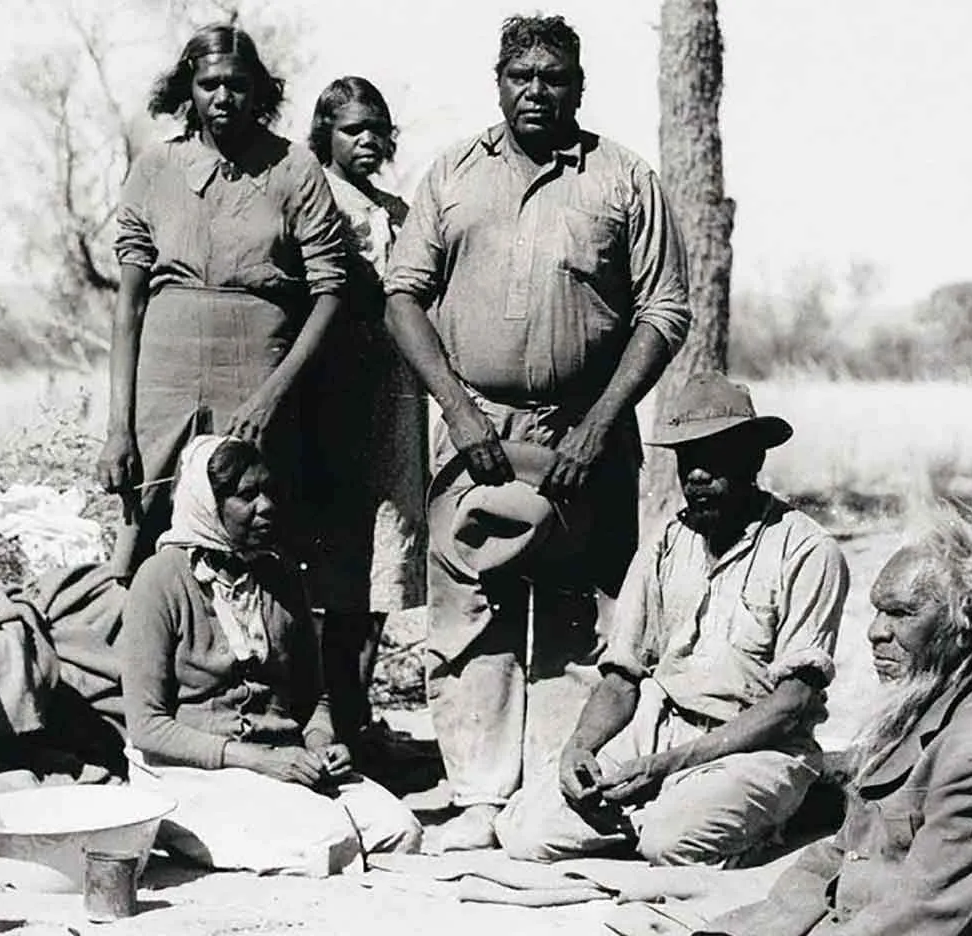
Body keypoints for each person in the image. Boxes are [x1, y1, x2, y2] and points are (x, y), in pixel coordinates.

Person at [384, 13, 691, 851]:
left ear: (580, 87)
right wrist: (455, 407)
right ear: (498, 82)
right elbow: (402, 295)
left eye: (555, 77)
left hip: (582, 430)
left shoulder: (624, 178)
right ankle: (480, 794)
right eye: (522, 75)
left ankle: (561, 786)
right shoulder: (451, 172)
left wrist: (600, 423)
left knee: (582, 609)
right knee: (470, 607)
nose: (537, 91)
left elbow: (665, 310)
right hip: (475, 427)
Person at [495, 372, 850, 867]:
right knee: (526, 832)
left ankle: (797, 805)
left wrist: (668, 768)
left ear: (754, 459)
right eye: (687, 461)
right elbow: (622, 678)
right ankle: (665, 816)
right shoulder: (665, 542)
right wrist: (581, 746)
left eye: (714, 457)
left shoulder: (807, 550)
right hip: (658, 734)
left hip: (755, 749)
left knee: (669, 841)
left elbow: (790, 705)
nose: (697, 476)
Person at [95, 23, 347, 580]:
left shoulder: (295, 169)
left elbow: (331, 291)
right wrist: (119, 427)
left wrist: (272, 394)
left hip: (258, 371)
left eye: (237, 84)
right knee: (146, 538)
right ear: (189, 90)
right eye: (209, 84)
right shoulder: (155, 169)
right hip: (166, 375)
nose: (223, 97)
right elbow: (130, 305)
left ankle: (251, 664)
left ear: (260, 90)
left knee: (254, 531)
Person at [698, 512, 972, 935]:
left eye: (901, 613)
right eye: (878, 612)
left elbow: (924, 914)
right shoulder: (920, 712)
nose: (875, 632)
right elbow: (839, 858)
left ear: (966, 621)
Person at [119, 434, 421, 875]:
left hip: (281, 761)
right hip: (190, 771)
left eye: (269, 492)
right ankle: (179, 830)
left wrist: (322, 743)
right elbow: (147, 727)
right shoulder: (160, 578)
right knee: (326, 841)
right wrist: (258, 760)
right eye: (247, 496)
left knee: (399, 831)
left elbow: (313, 697)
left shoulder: (279, 575)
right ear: (209, 504)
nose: (267, 506)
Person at [303, 77, 427, 750]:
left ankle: (355, 712)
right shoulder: (311, 195)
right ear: (326, 132)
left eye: (378, 128)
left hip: (393, 394)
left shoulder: (398, 209)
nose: (369, 140)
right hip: (331, 392)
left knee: (383, 557)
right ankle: (322, 711)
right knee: (330, 561)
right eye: (353, 129)